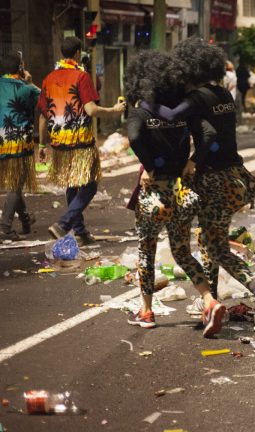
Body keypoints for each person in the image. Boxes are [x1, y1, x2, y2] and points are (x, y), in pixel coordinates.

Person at [145, 38, 255, 333]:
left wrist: (144, 101)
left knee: (212, 245)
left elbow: (172, 117)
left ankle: (252, 295)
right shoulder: (223, 94)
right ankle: (222, 301)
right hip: (236, 176)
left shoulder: (197, 99)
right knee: (212, 243)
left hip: (214, 181)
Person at [124, 50, 225, 335]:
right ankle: (209, 300)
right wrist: (193, 161)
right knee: (182, 251)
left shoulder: (142, 111)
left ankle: (146, 311)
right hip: (181, 193)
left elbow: (133, 137)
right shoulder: (182, 113)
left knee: (147, 252)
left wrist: (148, 165)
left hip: (154, 194)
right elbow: (208, 135)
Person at [39, 37, 125, 245]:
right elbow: (91, 110)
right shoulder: (81, 76)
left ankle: (81, 231)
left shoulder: (48, 79)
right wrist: (114, 110)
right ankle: (64, 223)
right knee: (90, 185)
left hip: (58, 142)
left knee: (72, 184)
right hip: (80, 142)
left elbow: (42, 116)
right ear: (77, 53)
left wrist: (42, 145)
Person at [0, 52, 39, 240]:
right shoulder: (25, 88)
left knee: (16, 183)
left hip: (0, 141)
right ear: (21, 68)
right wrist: (30, 82)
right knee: (16, 184)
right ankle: (5, 227)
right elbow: (46, 100)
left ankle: (25, 219)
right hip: (18, 142)